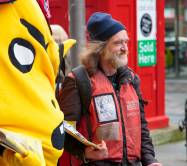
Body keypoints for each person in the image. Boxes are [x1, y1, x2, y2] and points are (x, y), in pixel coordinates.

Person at [59, 12, 162, 166]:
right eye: (118, 43)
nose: (125, 48)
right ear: (100, 47)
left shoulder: (131, 79)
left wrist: (150, 160)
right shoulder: (78, 80)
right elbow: (63, 131)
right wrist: (84, 152)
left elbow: (142, 128)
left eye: (126, 42)